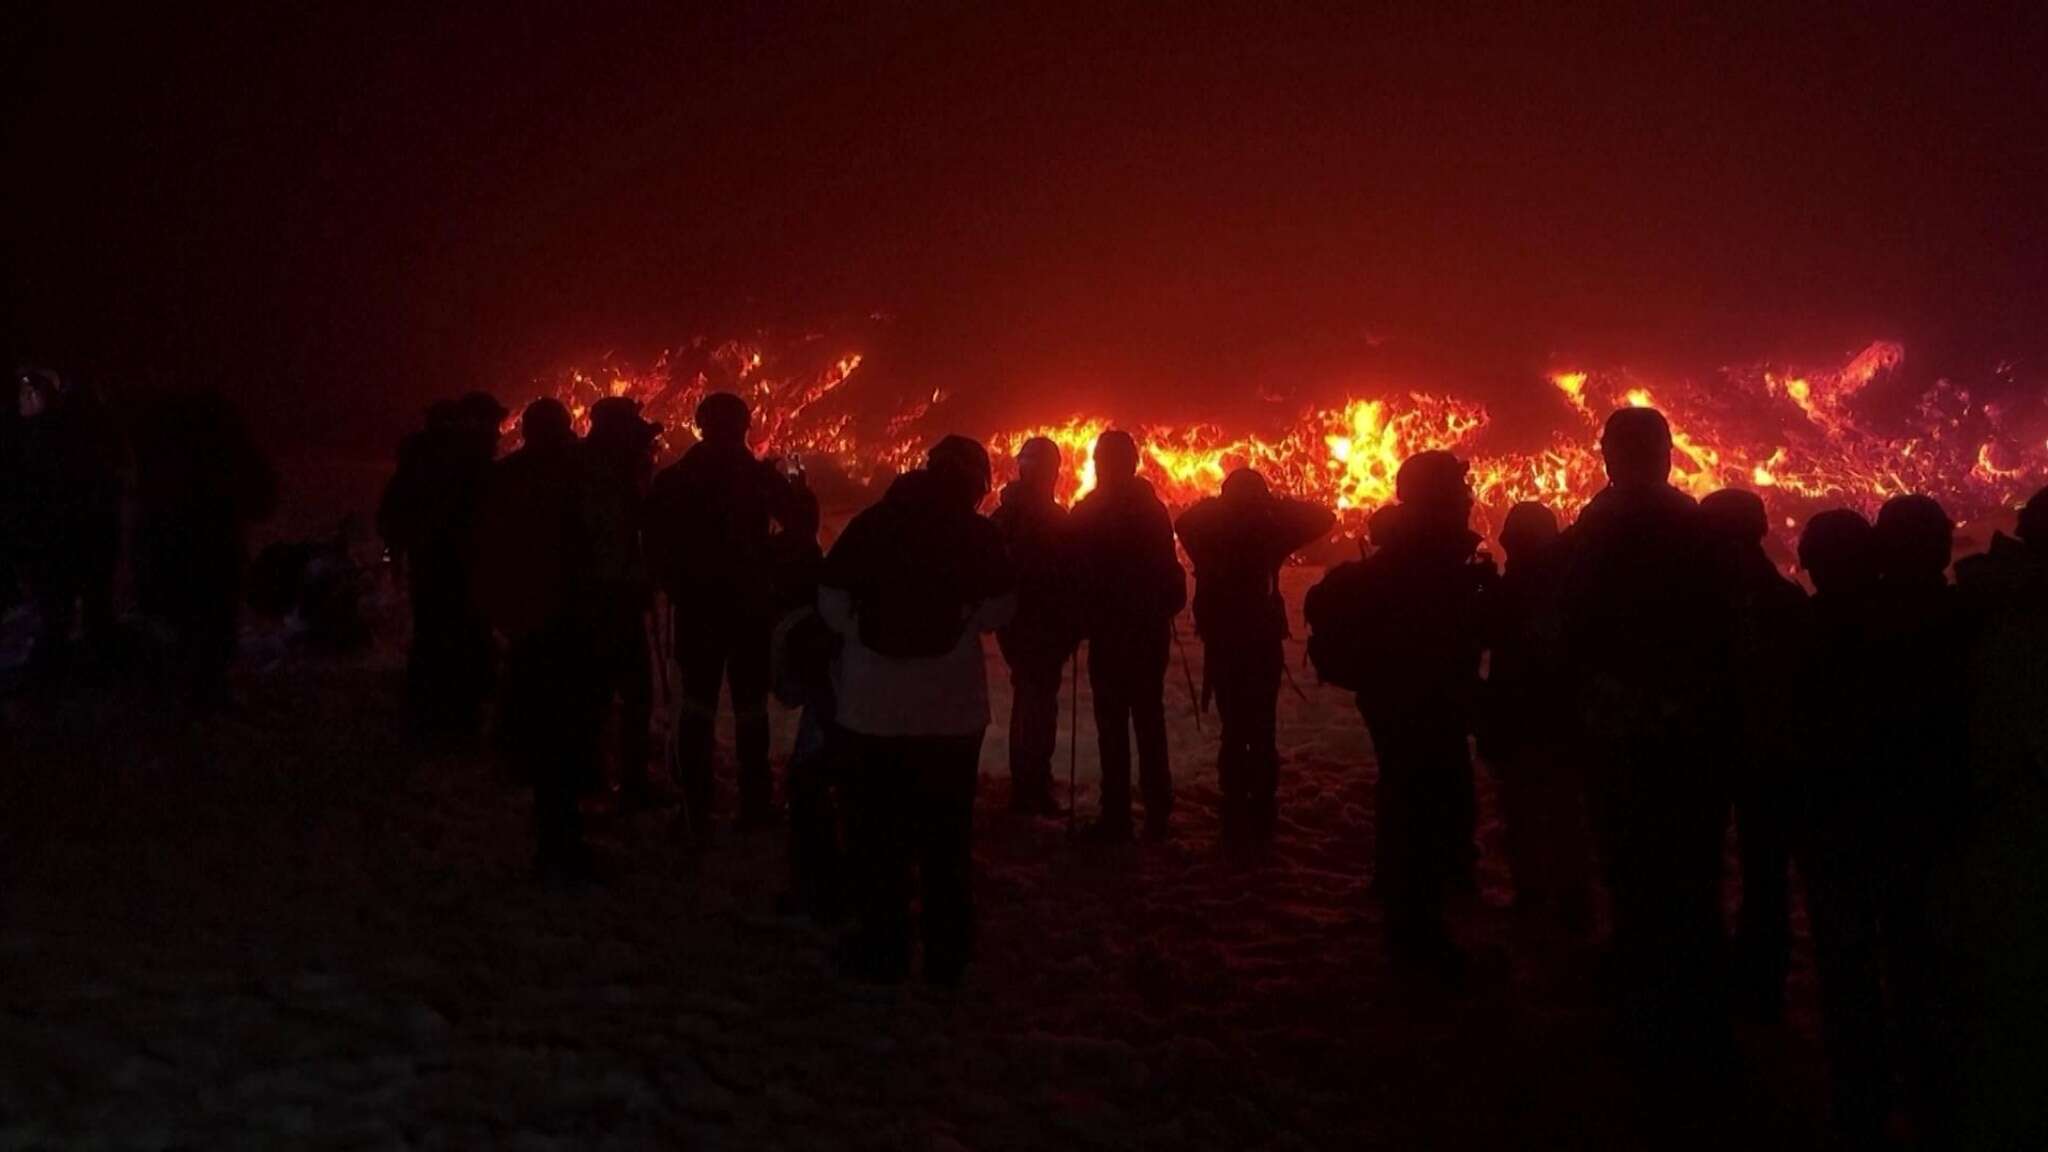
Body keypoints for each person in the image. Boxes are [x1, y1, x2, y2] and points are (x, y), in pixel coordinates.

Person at [1559, 407, 1732, 1066]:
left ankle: (1646, 1020)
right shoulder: (1697, 529)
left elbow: (1566, 628)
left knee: (1633, 874)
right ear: (1664, 454)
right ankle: (1697, 1024)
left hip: (1623, 729)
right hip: (1689, 730)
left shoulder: (1594, 534)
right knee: (1691, 878)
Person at [819, 436, 1015, 984]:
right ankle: (946, 956)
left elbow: (830, 598)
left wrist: (864, 635)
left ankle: (881, 950)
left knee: (878, 836)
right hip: (951, 717)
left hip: (872, 714)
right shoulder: (977, 533)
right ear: (975, 482)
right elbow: (1002, 605)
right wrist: (964, 623)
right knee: (946, 838)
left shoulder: (873, 524)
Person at [1332, 452, 1491, 977]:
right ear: (1434, 496)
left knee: (1411, 795)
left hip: (1409, 697)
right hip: (1418, 698)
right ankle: (1418, 940)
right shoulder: (1423, 559)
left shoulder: (1421, 552)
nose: (1469, 497)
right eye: (1458, 488)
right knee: (1422, 803)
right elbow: (1436, 634)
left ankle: (1412, 908)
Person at [647, 392, 805, 837]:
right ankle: (754, 802)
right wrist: (769, 555)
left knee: (696, 705)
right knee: (748, 706)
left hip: (699, 607)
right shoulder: (758, 478)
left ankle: (694, 805)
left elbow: (653, 538)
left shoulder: (678, 478)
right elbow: (798, 527)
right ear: (743, 426)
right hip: (747, 608)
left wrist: (671, 579)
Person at [1174, 468, 1334, 851]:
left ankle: (1233, 810)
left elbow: (1183, 521)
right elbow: (1323, 517)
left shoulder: (1208, 535)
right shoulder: (1268, 533)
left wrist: (1217, 504)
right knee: (1261, 729)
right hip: (1259, 641)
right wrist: (1273, 503)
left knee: (1235, 729)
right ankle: (1261, 811)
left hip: (1224, 641)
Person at [1699, 487, 1810, 1017]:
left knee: (1700, 865)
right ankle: (1762, 982)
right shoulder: (1785, 602)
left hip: (1709, 748)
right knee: (1765, 872)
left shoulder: (1686, 607)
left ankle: (1710, 976)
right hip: (1769, 754)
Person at [478, 397, 596, 883]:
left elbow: (486, 549)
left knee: (541, 725)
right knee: (563, 730)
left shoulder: (508, 477)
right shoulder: (576, 478)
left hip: (531, 619)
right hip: (564, 620)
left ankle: (555, 831)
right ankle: (560, 843)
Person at [1479, 501, 1593, 931]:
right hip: (1559, 719)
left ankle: (1541, 897)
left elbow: (1487, 635)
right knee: (1562, 813)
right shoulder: (1567, 585)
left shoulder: (1517, 588)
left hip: (1525, 719)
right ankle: (1569, 902)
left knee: (1528, 813)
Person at [1067, 430, 1186, 842]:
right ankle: (1157, 807)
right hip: (1147, 634)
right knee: (1148, 719)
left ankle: (1116, 813)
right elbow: (1171, 578)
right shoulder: (1152, 510)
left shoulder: (1089, 512)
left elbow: (1070, 566)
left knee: (1113, 725)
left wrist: (1080, 614)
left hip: (1110, 634)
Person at [130, 389, 275, 708]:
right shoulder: (226, 452)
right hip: (214, 558)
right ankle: (204, 690)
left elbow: (144, 509)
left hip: (177, 557)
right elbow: (263, 497)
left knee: (182, 628)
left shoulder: (164, 454)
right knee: (211, 630)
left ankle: (184, 691)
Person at [380, 391, 505, 738]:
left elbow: (392, 511)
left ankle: (433, 715)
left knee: (436, 638)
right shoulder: (465, 464)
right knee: (457, 640)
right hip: (455, 567)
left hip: (436, 565)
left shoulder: (429, 460)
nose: (497, 433)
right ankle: (451, 722)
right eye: (492, 424)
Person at [12, 368, 123, 686]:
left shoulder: (49, 435)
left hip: (68, 537)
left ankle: (67, 674)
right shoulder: (76, 435)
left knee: (65, 612)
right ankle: (88, 670)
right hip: (79, 536)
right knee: (81, 610)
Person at [578, 396, 664, 807]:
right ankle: (625, 780)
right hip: (611, 593)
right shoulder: (608, 470)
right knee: (630, 692)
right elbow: (630, 522)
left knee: (600, 690)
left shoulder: (586, 462)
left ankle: (595, 773)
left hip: (600, 592)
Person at [989, 436, 1077, 816]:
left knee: (1030, 700)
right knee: (1037, 704)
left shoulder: (1003, 517)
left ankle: (1030, 781)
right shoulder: (1049, 519)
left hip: (1021, 626)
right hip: (1039, 626)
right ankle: (1031, 786)